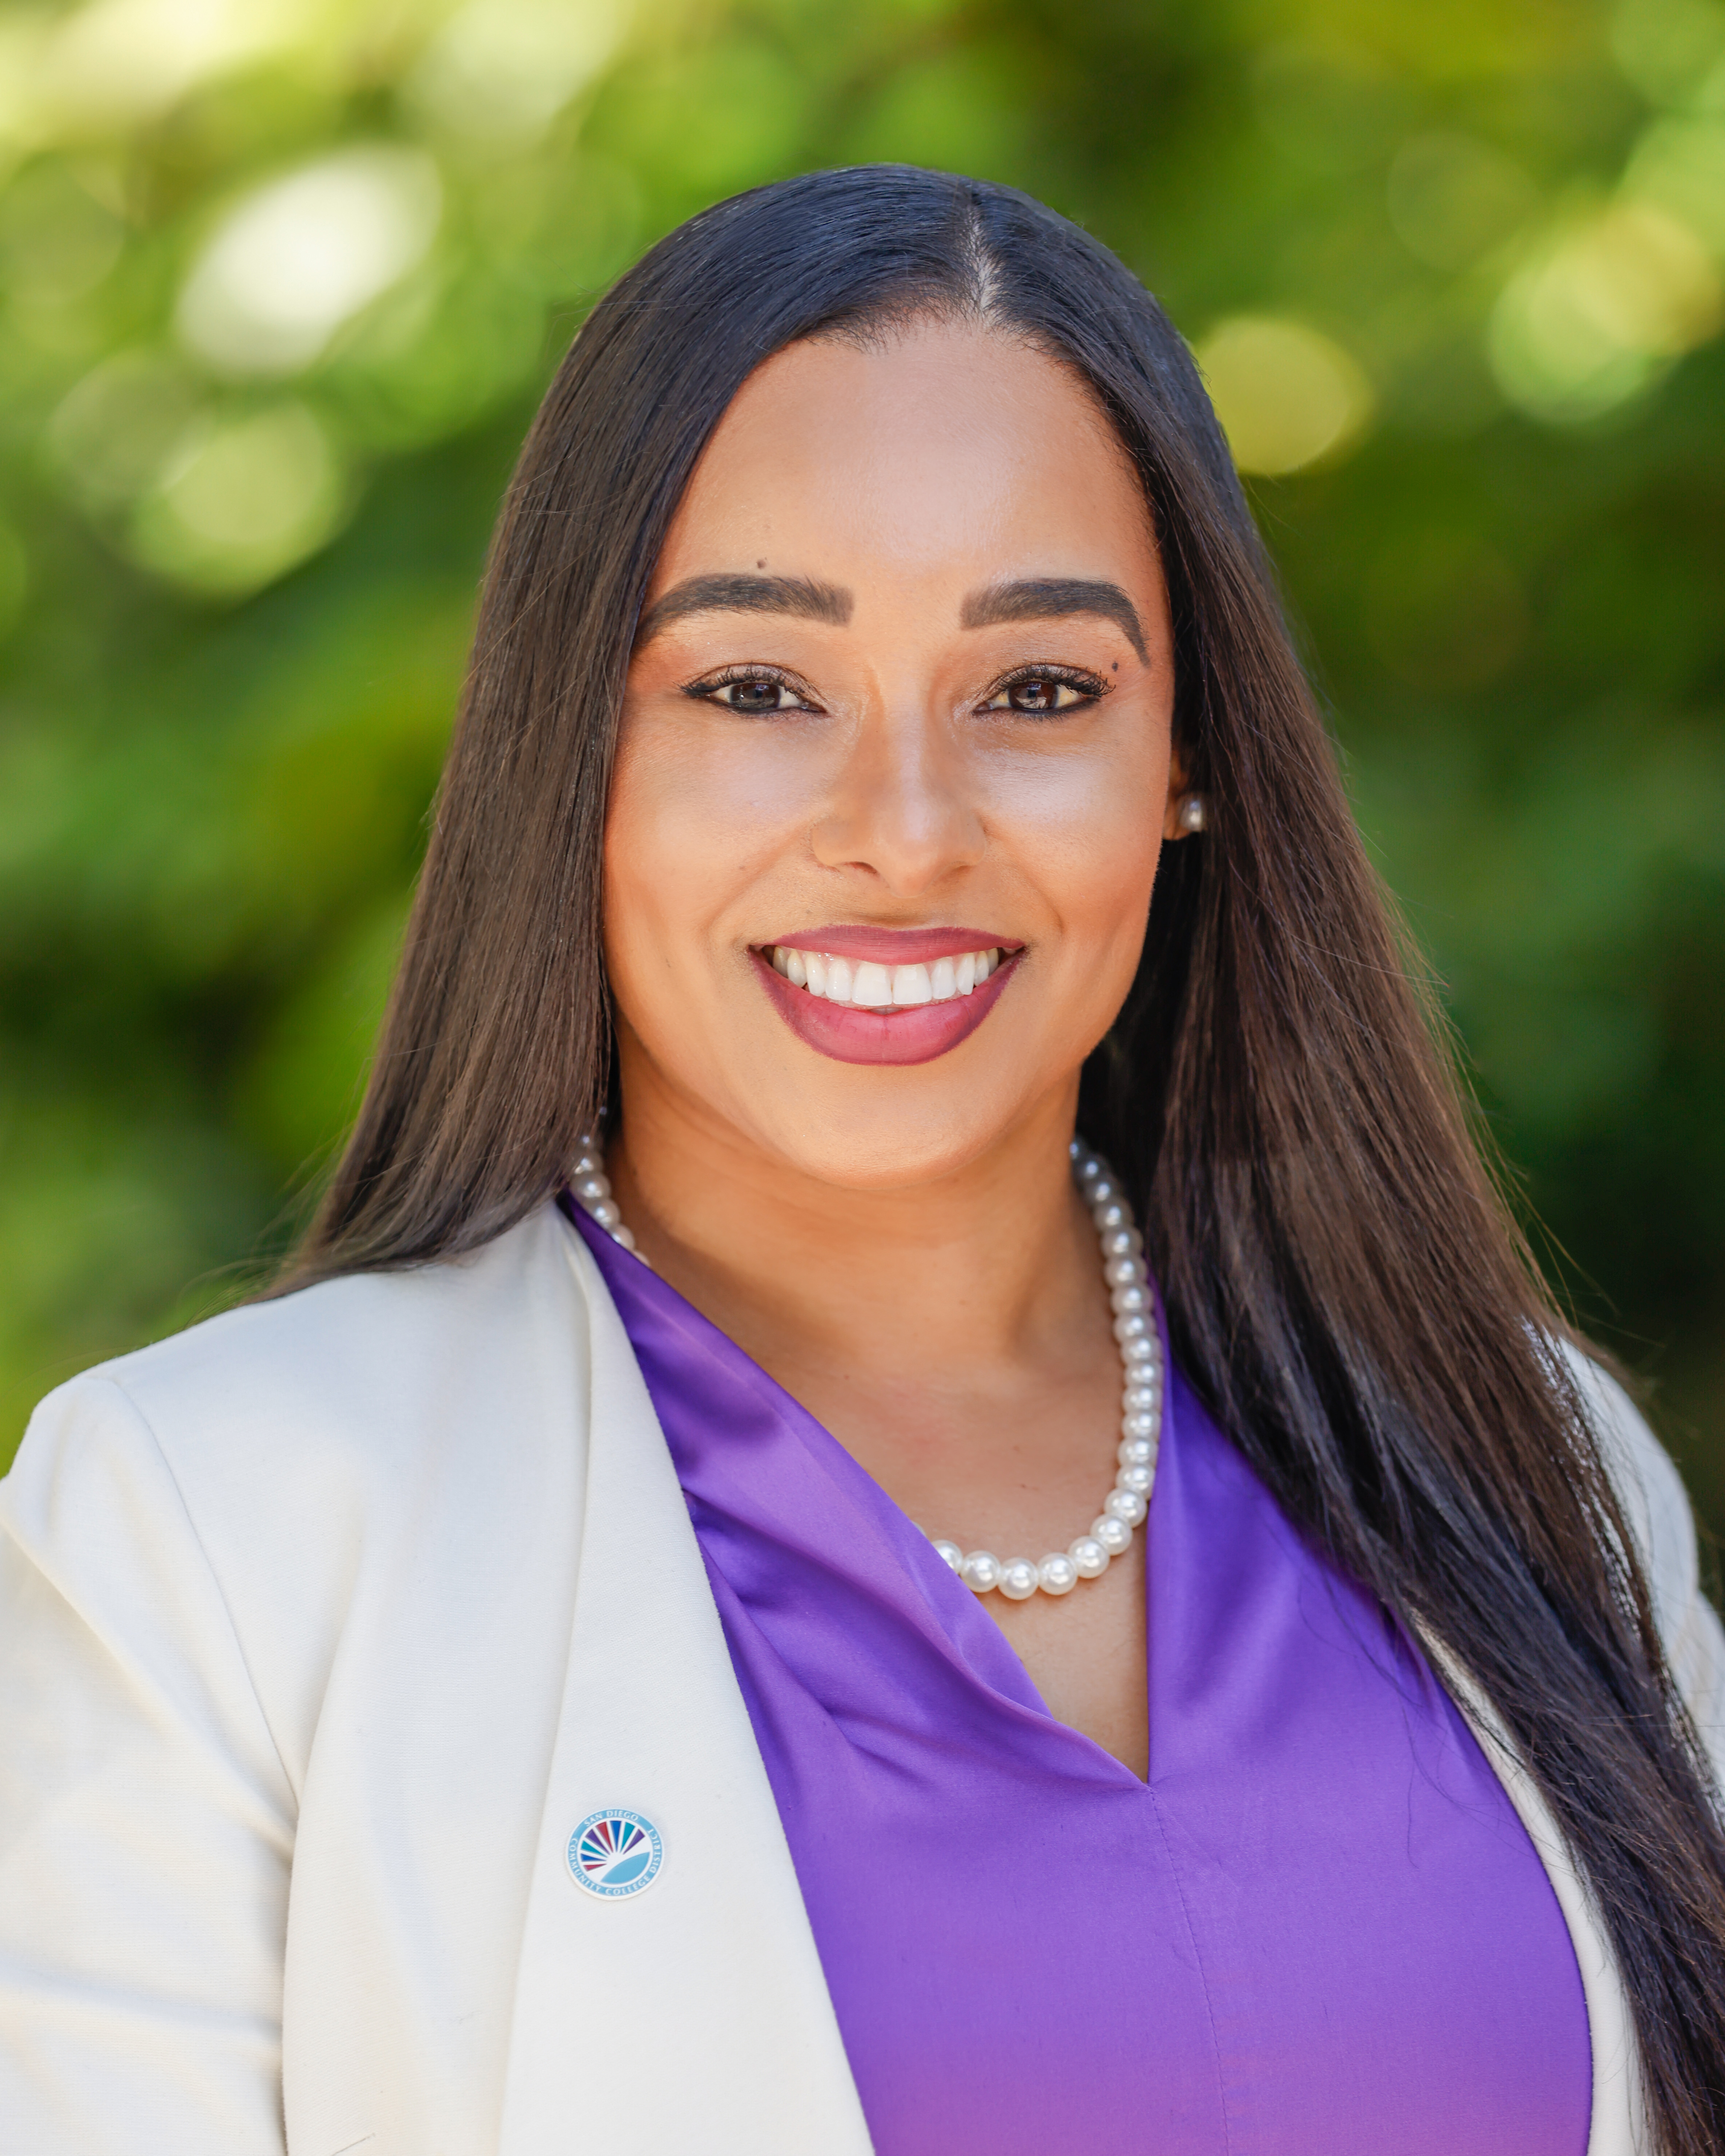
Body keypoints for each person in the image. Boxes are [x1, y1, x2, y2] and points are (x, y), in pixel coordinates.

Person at [3, 164, 1724, 2156]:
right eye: (756, 688)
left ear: (1188, 761)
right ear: (580, 748)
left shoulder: (1539, 1463)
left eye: (1038, 691)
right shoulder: (220, 1534)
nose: (903, 829)